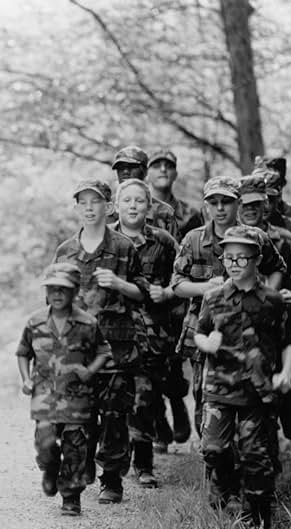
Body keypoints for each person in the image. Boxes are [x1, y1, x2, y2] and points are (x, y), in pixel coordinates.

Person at [194, 225, 291, 529]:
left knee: (257, 457)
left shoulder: (272, 300)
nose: (234, 264)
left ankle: (260, 522)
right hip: (219, 388)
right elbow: (199, 332)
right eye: (228, 258)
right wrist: (206, 343)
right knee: (213, 449)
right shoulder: (213, 297)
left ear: (257, 259)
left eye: (242, 258)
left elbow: (289, 341)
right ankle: (226, 489)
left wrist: (286, 373)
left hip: (258, 392)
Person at [52, 179, 149, 504]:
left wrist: (120, 283)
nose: (90, 208)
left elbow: (142, 293)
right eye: (84, 202)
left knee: (113, 417)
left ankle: (111, 479)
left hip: (116, 348)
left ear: (109, 207)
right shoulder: (65, 251)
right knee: (78, 418)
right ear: (77, 207)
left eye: (96, 202)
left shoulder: (123, 247)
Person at [172, 176, 286, 437]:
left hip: (250, 332)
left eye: (227, 202)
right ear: (206, 206)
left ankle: (253, 454)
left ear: (238, 204)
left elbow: (277, 268)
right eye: (214, 202)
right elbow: (177, 284)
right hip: (204, 329)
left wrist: (266, 298)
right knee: (204, 396)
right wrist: (206, 288)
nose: (220, 208)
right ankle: (215, 463)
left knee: (255, 392)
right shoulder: (194, 240)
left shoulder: (254, 236)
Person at [17, 262, 113, 516]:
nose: (57, 295)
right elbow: (23, 353)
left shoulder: (87, 323)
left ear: (74, 292)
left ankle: (71, 496)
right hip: (45, 396)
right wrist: (26, 379)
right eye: (52, 289)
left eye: (63, 289)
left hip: (77, 398)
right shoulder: (35, 322)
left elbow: (104, 351)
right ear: (46, 292)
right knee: (45, 443)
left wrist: (90, 370)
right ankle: (49, 468)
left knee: (76, 446)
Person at [238, 174, 291, 470]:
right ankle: (264, 457)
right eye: (245, 204)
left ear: (267, 205)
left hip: (289, 324)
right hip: (246, 330)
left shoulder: (287, 239)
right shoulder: (231, 241)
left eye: (257, 204)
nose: (251, 210)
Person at [111, 178, 178, 488]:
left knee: (145, 399)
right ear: (116, 206)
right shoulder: (105, 239)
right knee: (112, 398)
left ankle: (144, 464)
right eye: (127, 200)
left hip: (150, 334)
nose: (133, 206)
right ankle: (109, 464)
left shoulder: (163, 242)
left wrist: (164, 293)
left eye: (140, 201)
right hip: (111, 332)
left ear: (150, 207)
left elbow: (180, 281)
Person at [145, 148, 202, 451]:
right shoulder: (138, 208)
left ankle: (178, 403)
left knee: (173, 362)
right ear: (149, 173)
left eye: (169, 165)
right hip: (147, 297)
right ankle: (159, 425)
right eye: (157, 165)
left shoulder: (191, 214)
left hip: (179, 298)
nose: (164, 170)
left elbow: (199, 254)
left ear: (176, 173)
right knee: (150, 366)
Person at [110, 145, 180, 239]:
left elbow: (174, 250)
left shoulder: (165, 212)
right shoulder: (105, 208)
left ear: (145, 172)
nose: (125, 171)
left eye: (132, 166)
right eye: (120, 168)